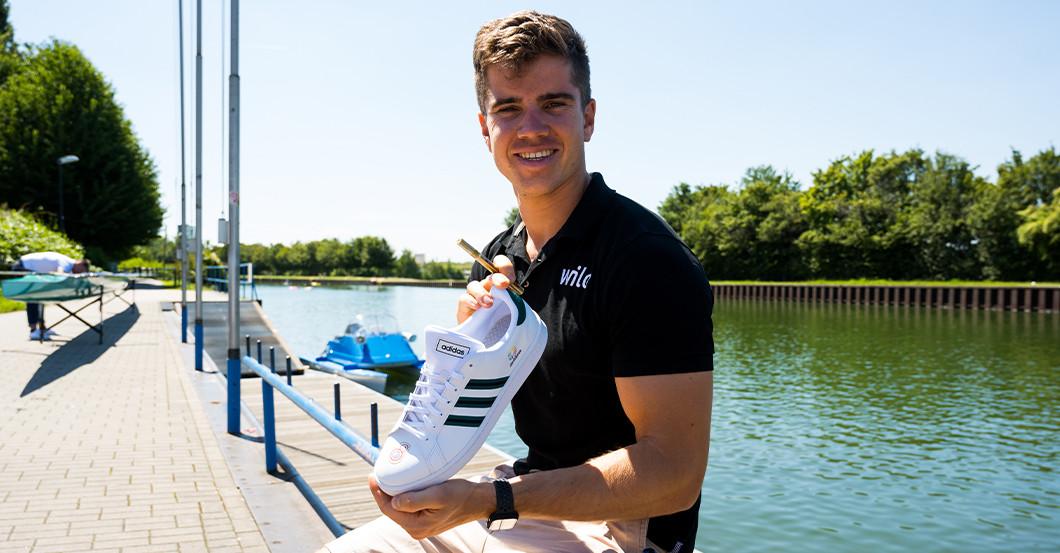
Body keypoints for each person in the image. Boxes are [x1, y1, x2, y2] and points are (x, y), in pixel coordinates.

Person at [320, 10, 713, 553]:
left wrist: (493, 500)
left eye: (554, 103)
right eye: (508, 109)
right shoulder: (497, 257)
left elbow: (674, 474)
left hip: (622, 526)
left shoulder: (646, 260)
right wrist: (471, 342)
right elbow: (461, 415)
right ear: (486, 130)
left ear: (588, 118)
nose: (531, 127)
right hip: (524, 498)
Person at [14, 251, 89, 340]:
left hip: (28, 268)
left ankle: (42, 328)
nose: (78, 273)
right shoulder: (66, 263)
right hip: (22, 266)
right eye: (80, 271)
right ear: (80, 264)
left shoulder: (68, 264)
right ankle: (33, 331)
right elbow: (59, 274)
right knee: (33, 297)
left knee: (40, 297)